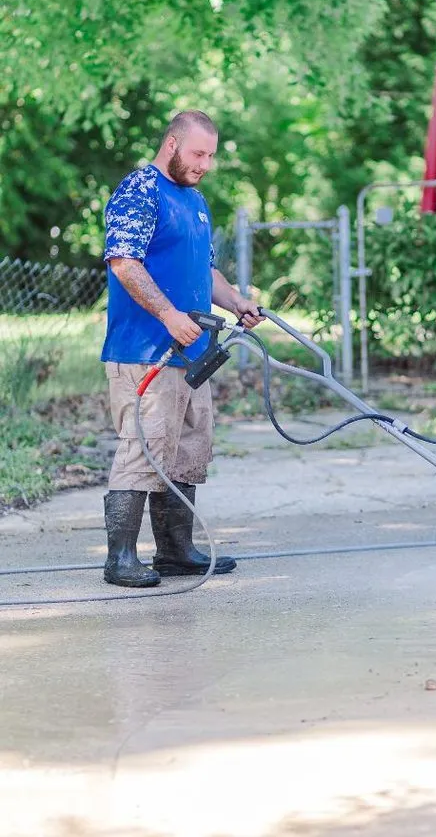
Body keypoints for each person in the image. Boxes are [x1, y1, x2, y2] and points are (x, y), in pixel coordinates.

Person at [101, 109, 263, 588]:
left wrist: (236, 302)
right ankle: (120, 559)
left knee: (188, 450)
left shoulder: (194, 200)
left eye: (210, 155)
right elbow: (124, 262)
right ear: (172, 144)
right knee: (144, 448)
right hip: (147, 350)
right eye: (198, 153)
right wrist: (169, 315)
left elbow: (204, 271)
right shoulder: (140, 190)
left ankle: (175, 552)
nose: (205, 164)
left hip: (193, 356)